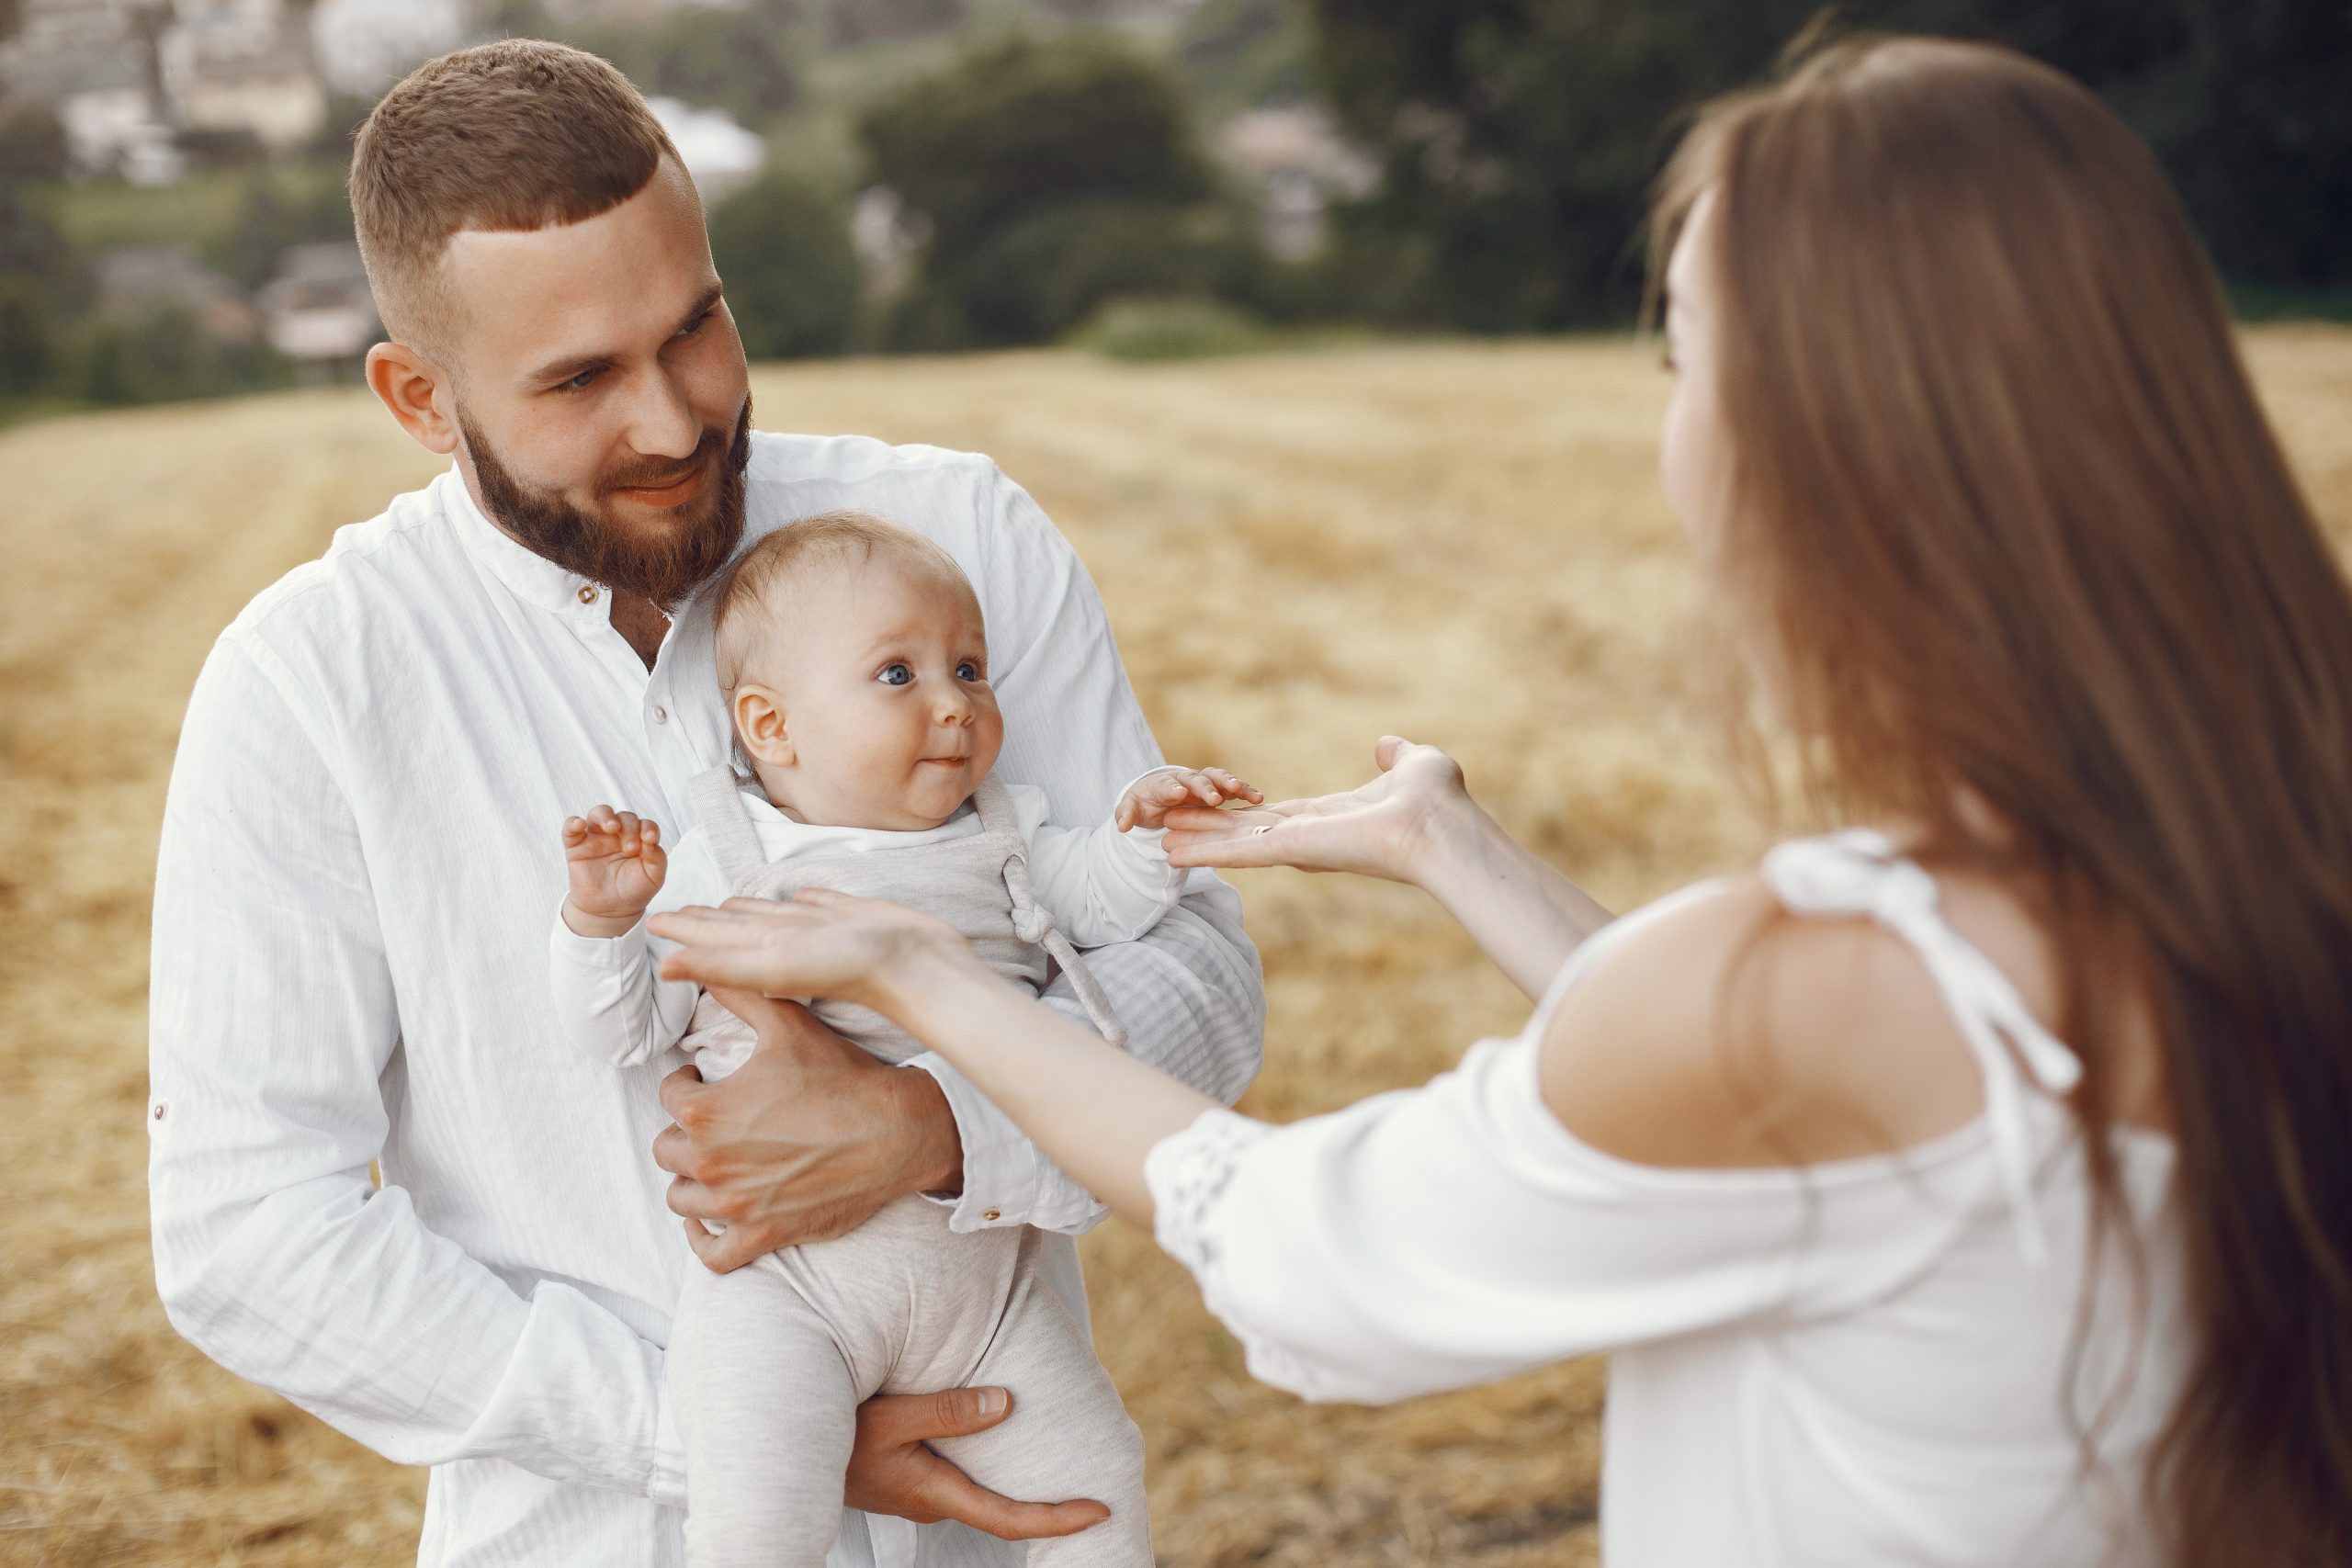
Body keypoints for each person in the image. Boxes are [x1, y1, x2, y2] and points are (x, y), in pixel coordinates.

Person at [646, 35, 2352, 1568]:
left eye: (1682, 359)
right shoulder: (2241, 870)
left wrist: (920, 973)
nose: (1669, 425)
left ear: (1811, 444)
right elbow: (1802, 1101)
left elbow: (1307, 1267)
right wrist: (1447, 846)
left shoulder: (1816, 976)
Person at [145, 40, 1263, 1568]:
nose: (674, 423)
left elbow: (1205, 985)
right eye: (581, 379)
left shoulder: (960, 536)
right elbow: (248, 1234)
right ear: (419, 394)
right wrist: (739, 1433)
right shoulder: (310, 683)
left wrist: (939, 1124)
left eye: (697, 328)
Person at [548, 513, 1257, 1565]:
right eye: (897, 674)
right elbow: (621, 1032)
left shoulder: (1004, 837)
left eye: (970, 669)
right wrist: (601, 925)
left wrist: (1140, 838)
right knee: (755, 1524)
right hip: (785, 1289)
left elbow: (1106, 912)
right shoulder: (729, 860)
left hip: (987, 1292)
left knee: (1097, 1481)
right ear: (772, 727)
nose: (953, 705)